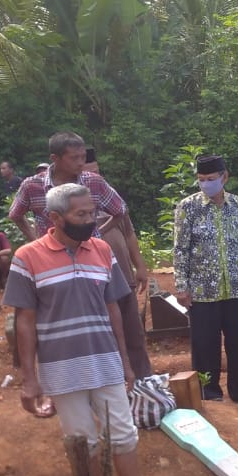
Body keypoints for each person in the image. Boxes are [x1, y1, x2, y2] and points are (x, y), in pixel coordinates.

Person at [4, 184, 174, 476]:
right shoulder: (27, 257)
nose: (90, 220)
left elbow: (113, 309)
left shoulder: (100, 250)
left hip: (105, 360)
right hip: (61, 368)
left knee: (125, 435)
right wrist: (30, 379)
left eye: (92, 212)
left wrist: (125, 362)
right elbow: (25, 320)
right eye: (81, 214)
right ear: (54, 217)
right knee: (84, 441)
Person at [9, 133, 150, 298]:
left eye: (83, 157)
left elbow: (121, 211)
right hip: (49, 260)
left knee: (102, 302)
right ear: (55, 158)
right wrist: (35, 239)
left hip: (90, 256)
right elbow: (16, 214)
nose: (81, 162)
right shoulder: (32, 186)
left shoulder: (94, 182)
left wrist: (98, 231)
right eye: (74, 158)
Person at [173, 155, 238, 406]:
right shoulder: (188, 207)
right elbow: (180, 249)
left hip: (234, 286)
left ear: (224, 177)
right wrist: (182, 286)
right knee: (205, 343)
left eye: (211, 179)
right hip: (202, 289)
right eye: (201, 180)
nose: (206, 184)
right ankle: (208, 391)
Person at [81, 148, 153, 380]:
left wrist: (139, 266)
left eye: (97, 172)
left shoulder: (113, 205)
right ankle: (112, 379)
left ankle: (143, 378)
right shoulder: (77, 214)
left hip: (123, 279)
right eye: (89, 173)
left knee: (133, 331)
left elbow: (130, 235)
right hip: (92, 283)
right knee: (107, 334)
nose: (96, 177)